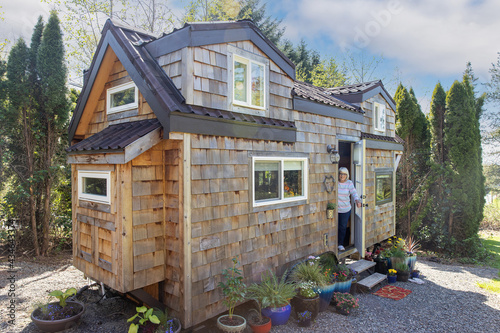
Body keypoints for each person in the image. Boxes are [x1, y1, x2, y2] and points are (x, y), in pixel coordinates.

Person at [337, 167, 361, 251]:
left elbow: (354, 193)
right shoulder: (336, 183)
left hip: (345, 210)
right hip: (336, 209)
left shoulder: (349, 183)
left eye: (344, 174)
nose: (342, 175)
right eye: (340, 173)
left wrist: (357, 200)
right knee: (335, 226)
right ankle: (334, 243)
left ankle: (340, 244)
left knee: (342, 227)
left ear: (346, 175)